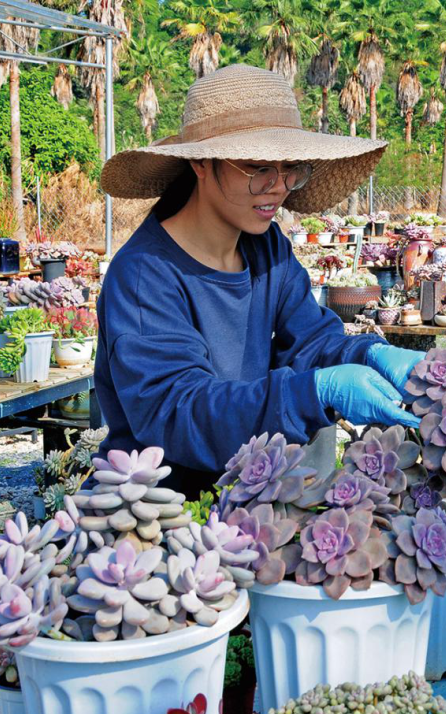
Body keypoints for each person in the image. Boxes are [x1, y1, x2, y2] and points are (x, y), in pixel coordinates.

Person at [96, 64, 424, 496]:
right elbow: (182, 414)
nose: (278, 187)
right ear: (200, 162)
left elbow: (309, 341)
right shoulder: (144, 277)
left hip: (254, 496)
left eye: (291, 168)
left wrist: (372, 355)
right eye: (256, 167)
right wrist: (314, 392)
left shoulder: (265, 246)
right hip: (160, 514)